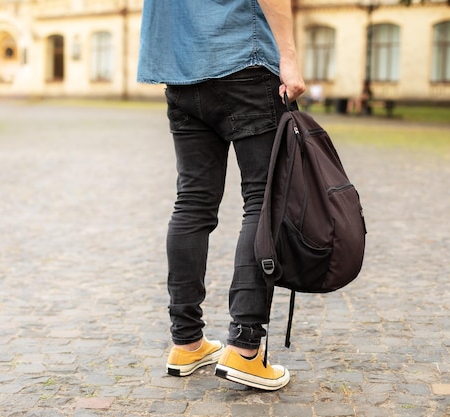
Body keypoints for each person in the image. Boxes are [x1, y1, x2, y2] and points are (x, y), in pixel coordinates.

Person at [137, 0, 306, 391]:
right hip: (241, 60)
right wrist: (289, 55)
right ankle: (245, 349)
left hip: (180, 68)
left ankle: (187, 342)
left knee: (192, 202)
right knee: (262, 200)